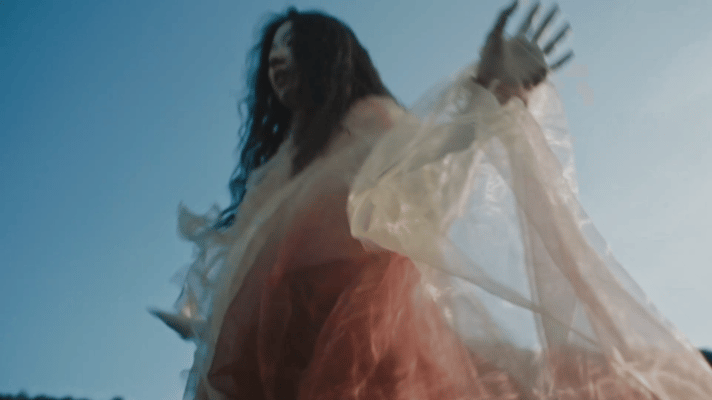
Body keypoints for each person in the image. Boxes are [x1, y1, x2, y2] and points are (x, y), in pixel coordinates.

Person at [151, 2, 712, 399]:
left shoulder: (370, 124)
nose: (278, 64)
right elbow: (249, 276)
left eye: (291, 49)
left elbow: (429, 182)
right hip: (280, 362)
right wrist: (205, 328)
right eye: (272, 56)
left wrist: (489, 88)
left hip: (361, 344)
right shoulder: (274, 173)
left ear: (328, 58)